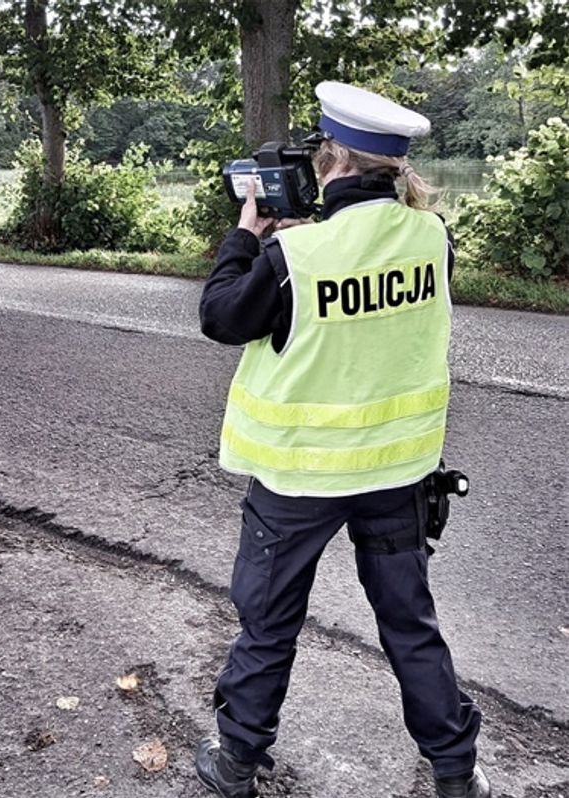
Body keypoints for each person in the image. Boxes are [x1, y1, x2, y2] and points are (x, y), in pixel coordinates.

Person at [193, 82, 489, 798]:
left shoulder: (296, 258)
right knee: (409, 625)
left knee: (269, 623)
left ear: (331, 162)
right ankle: (456, 772)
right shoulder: (432, 237)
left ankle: (236, 764)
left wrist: (248, 236)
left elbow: (221, 316)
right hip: (397, 473)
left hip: (299, 482)